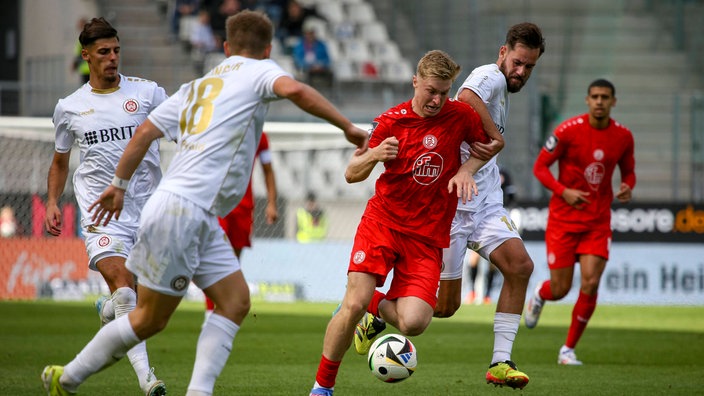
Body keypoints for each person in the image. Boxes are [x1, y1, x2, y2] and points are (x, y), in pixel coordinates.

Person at [42, 10, 367, 396]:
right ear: (267, 50)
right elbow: (295, 90)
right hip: (183, 211)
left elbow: (145, 131)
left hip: (186, 210)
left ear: (226, 47)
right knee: (147, 318)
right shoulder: (258, 70)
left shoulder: (200, 86)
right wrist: (347, 126)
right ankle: (68, 379)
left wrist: (119, 184)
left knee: (235, 301)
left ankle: (198, 393)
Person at [308, 49, 504, 396]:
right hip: (383, 224)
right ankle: (322, 388)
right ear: (415, 82)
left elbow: (488, 144)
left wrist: (465, 170)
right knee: (352, 304)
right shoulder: (390, 122)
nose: (437, 99)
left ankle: (376, 305)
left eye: (444, 92)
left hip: (427, 237)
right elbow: (351, 173)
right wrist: (373, 154)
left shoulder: (459, 116)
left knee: (414, 322)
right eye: (431, 90)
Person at [42, 17, 168, 396]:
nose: (112, 58)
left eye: (116, 50)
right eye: (103, 52)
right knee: (126, 291)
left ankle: (109, 311)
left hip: (149, 213)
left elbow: (184, 130)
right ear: (87, 56)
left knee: (143, 304)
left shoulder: (148, 94)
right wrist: (51, 200)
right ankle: (148, 380)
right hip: (102, 217)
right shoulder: (70, 108)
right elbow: (61, 161)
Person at [432, 22, 545, 390]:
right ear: (503, 53)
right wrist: (496, 138)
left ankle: (501, 362)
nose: (521, 72)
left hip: (483, 204)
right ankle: (375, 309)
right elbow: (464, 96)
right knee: (445, 308)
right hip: (452, 208)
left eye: (529, 66)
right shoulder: (490, 77)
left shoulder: (502, 88)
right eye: (517, 62)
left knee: (520, 267)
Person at [525, 78, 636, 365]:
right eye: (595, 96)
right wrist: (564, 191)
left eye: (605, 97)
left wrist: (627, 186)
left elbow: (629, 172)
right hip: (563, 221)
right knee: (560, 289)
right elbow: (540, 167)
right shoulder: (567, 131)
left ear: (614, 101)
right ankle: (539, 294)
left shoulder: (623, 137)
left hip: (597, 222)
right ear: (587, 100)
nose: (599, 101)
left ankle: (568, 350)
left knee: (591, 282)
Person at [204, 131, 278, 317]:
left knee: (232, 264)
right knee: (216, 259)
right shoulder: (223, 126)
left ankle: (222, 310)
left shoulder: (260, 136)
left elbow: (267, 169)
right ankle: (211, 313)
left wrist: (271, 203)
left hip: (244, 208)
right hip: (219, 205)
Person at [464, 167, 517, 305]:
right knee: (474, 258)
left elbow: (512, 197)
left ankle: (487, 295)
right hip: (479, 219)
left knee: (494, 262)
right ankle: (472, 292)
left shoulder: (504, 173)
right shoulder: (477, 169)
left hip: (497, 220)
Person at [292, 23, 332, 89]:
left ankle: (330, 94)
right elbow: (297, 59)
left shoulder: (321, 45)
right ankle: (309, 92)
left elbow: (327, 59)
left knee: (330, 73)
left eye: (311, 33)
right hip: (306, 68)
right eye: (308, 33)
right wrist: (308, 66)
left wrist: (321, 65)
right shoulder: (299, 46)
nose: (310, 36)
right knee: (306, 75)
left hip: (320, 67)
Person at [72, 18, 90, 84]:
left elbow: (80, 54)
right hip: (86, 69)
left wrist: (75, 64)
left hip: (87, 69)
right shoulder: (84, 37)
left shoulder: (84, 38)